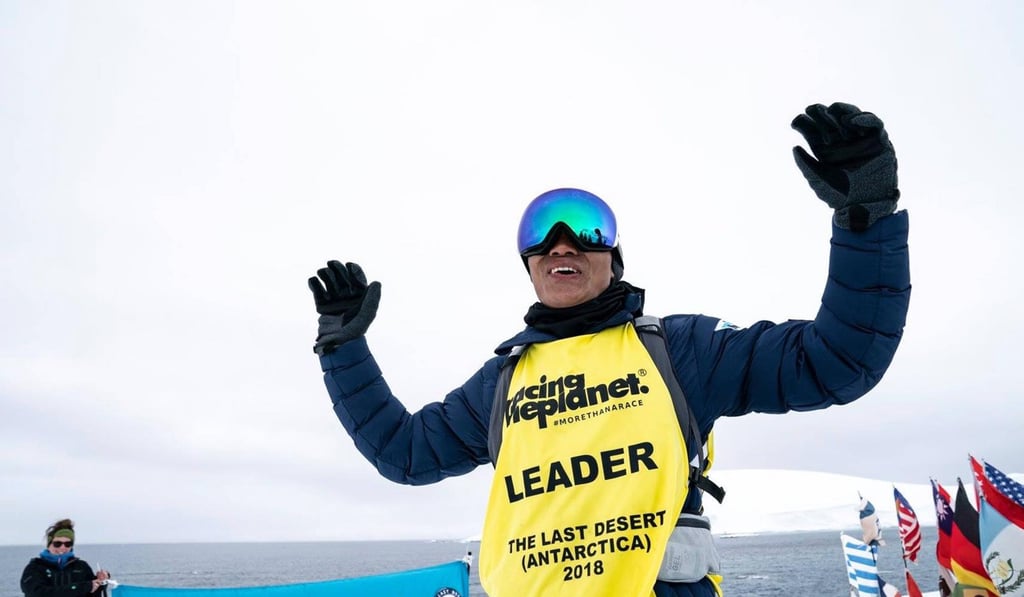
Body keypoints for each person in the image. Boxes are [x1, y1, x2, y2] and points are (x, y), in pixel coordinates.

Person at [307, 102, 910, 596]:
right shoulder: (502, 383)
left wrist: (865, 219)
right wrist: (343, 348)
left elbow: (838, 360)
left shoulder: (682, 351)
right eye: (540, 236)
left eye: (587, 231)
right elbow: (404, 453)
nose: (561, 246)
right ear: (529, 264)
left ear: (613, 261)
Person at [21, 518, 110, 597]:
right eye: (57, 543)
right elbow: (37, 593)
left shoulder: (81, 567)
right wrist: (82, 587)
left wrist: (100, 582)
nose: (62, 547)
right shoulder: (34, 568)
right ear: (49, 544)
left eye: (68, 544)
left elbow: (92, 594)